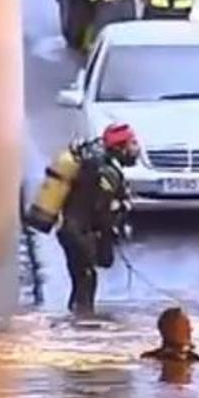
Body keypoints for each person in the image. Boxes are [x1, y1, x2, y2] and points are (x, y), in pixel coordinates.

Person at [57, 123, 140, 315]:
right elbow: (100, 209)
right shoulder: (106, 173)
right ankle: (82, 325)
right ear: (119, 147)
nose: (136, 149)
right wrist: (118, 213)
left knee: (80, 280)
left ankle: (76, 321)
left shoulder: (99, 164)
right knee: (85, 279)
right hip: (78, 233)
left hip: (72, 230)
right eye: (132, 144)